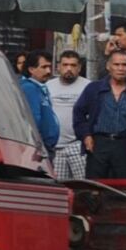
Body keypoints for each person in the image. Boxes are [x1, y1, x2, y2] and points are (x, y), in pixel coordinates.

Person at [73, 50, 126, 179]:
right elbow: (79, 113)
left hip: (125, 144)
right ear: (108, 66)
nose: (120, 68)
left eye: (124, 65)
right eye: (116, 64)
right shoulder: (94, 88)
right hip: (99, 143)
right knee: (95, 187)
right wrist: (86, 136)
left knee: (122, 189)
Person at [46, 50, 91, 180]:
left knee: (83, 187)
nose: (69, 69)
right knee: (58, 188)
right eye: (65, 65)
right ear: (58, 67)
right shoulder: (48, 86)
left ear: (79, 68)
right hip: (56, 147)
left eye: (73, 65)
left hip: (78, 145)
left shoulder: (88, 86)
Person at [18, 50, 60, 155]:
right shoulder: (29, 88)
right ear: (31, 69)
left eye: (49, 67)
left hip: (45, 147)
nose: (48, 71)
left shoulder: (39, 87)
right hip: (39, 149)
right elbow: (33, 119)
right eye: (44, 67)